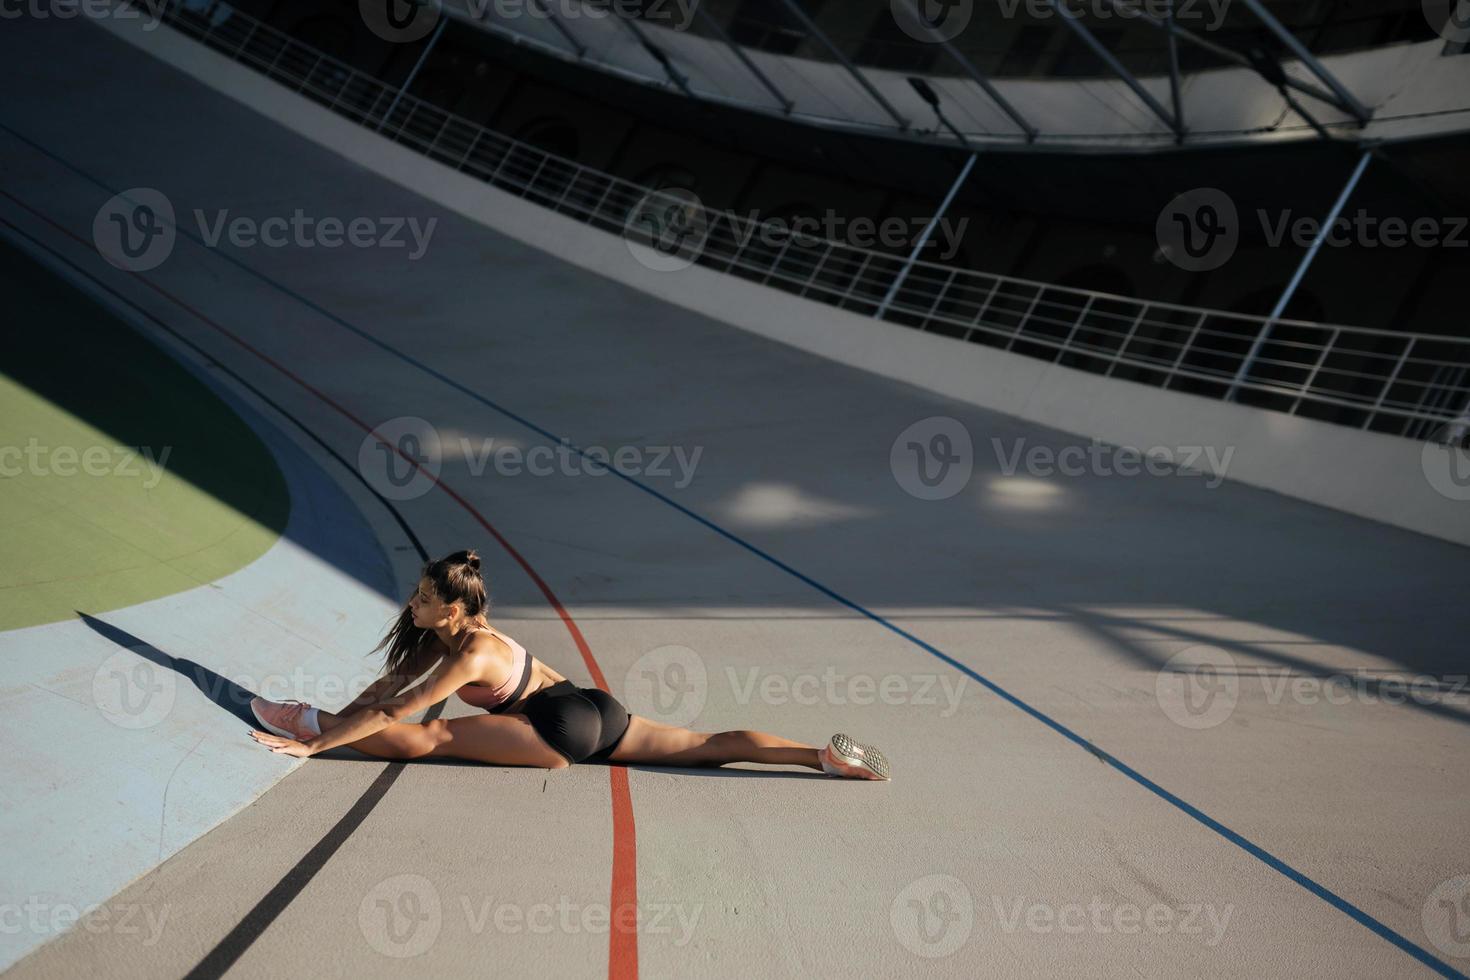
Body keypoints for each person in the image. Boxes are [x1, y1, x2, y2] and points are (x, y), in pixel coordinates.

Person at [247, 549, 890, 780]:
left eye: (422, 598)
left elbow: (401, 711)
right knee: (706, 743)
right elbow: (386, 685)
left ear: (450, 609)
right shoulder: (453, 632)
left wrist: (321, 738)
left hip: (558, 730)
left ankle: (298, 718)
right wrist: (352, 712)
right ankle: (821, 758)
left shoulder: (470, 651)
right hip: (598, 710)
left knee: (429, 739)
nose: (411, 603)